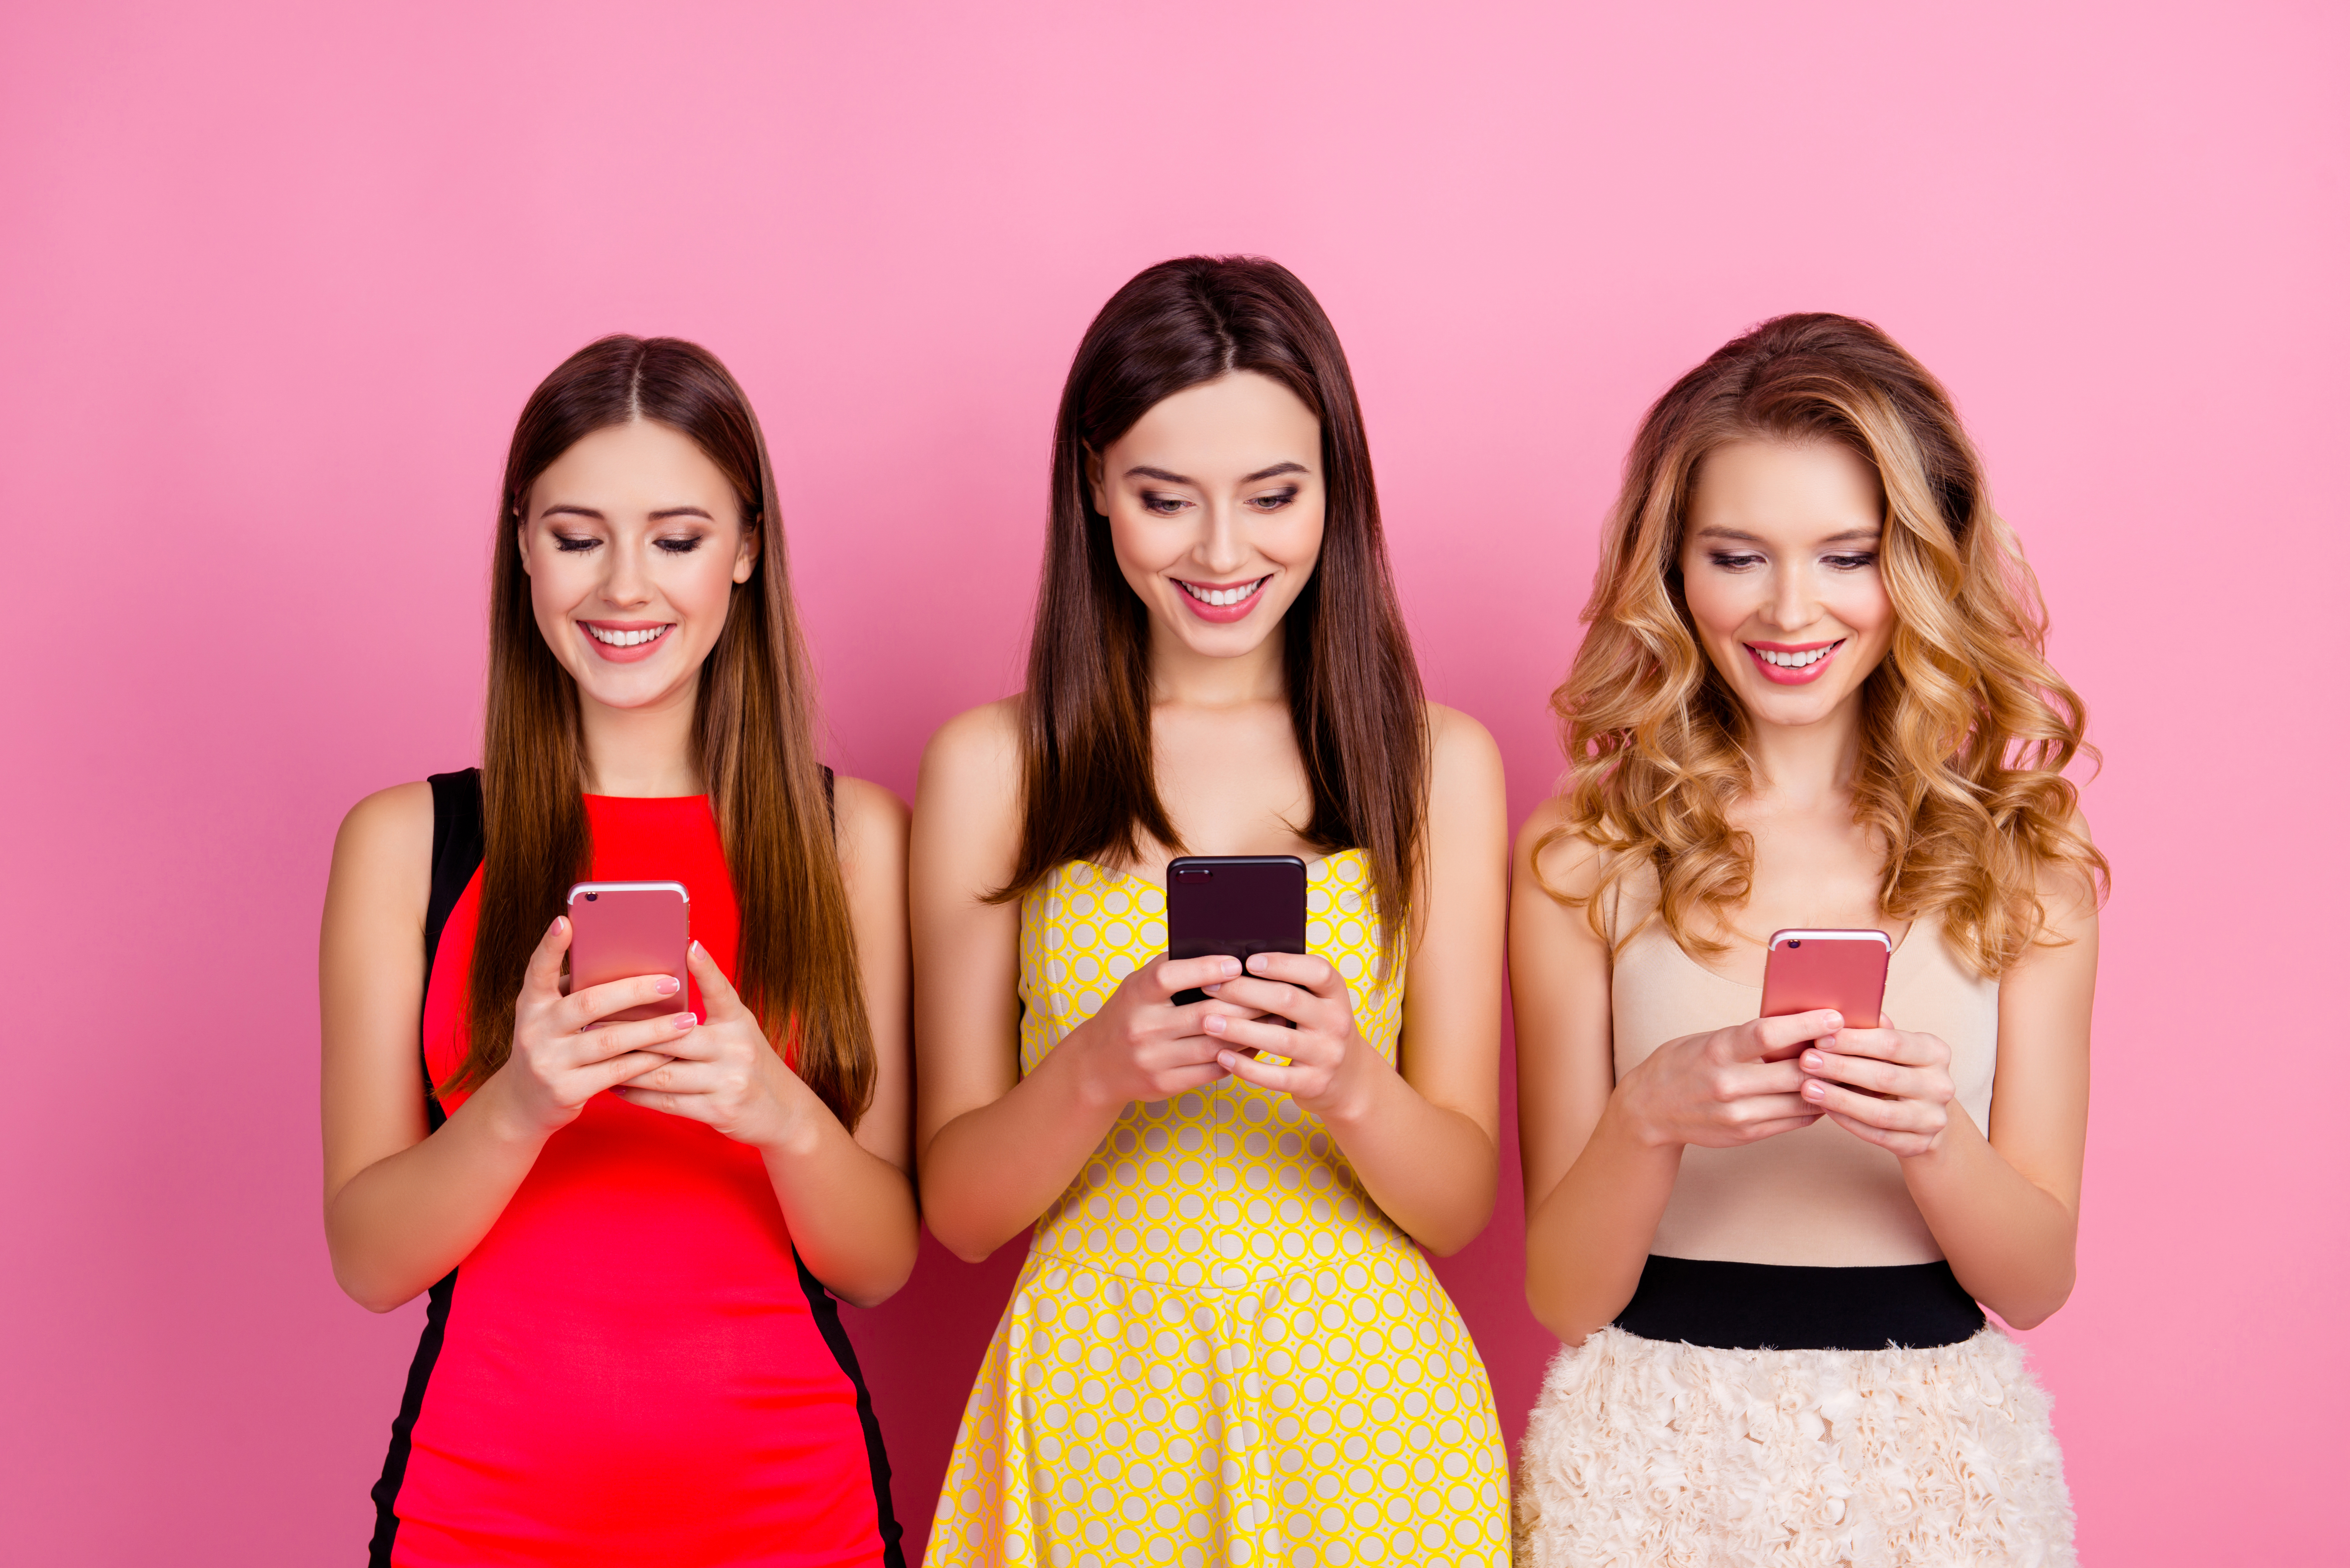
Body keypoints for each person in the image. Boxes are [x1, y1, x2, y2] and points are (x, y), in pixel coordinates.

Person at [914, 256, 1515, 1566]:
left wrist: (1350, 1078)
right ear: (1093, 487)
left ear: (1335, 488)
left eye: (1273, 495)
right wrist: (1093, 1068)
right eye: (1164, 499)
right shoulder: (993, 770)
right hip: (1093, 1411)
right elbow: (958, 1212)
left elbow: (1460, 1200)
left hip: (1367, 1425)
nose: (1224, 552)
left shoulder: (1436, 765)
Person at [1511, 313, 2105, 1565]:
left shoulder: (2025, 860)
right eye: (1737, 555)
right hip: (1648, 1464)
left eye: (1848, 555)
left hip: (1937, 1465)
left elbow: (2034, 1278)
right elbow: (1563, 1294)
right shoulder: (1582, 857)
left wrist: (1931, 1136)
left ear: (1922, 566)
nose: (1792, 608)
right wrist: (1647, 1115)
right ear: (1669, 569)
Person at [319, 336, 915, 1567]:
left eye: (679, 538)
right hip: (476, 1516)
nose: (625, 588)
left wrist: (776, 1111)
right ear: (522, 545)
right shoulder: (405, 844)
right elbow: (370, 1261)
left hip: (796, 1517)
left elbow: (880, 1263)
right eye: (579, 536)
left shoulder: (853, 839)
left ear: (747, 549)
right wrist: (519, 1106)